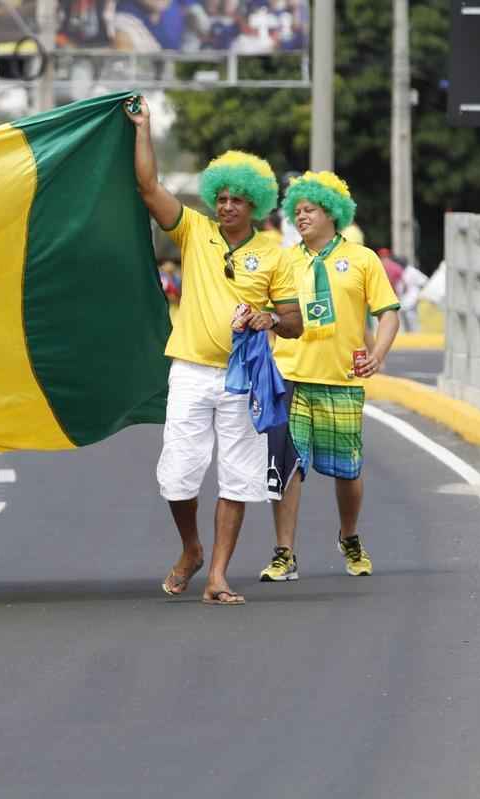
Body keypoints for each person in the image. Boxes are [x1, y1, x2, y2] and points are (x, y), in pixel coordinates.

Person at [125, 95, 303, 606]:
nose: (226, 206)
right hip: (189, 371)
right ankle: (191, 549)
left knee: (239, 476)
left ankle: (218, 575)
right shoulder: (192, 229)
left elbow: (292, 322)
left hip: (245, 378)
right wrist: (143, 128)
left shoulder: (274, 254)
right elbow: (147, 187)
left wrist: (268, 317)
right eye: (220, 197)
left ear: (255, 205)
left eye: (236, 200)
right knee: (177, 475)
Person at [259, 171, 400, 581]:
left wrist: (378, 353)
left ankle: (350, 536)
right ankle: (284, 553)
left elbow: (388, 312)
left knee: (347, 471)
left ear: (332, 214)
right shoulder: (284, 260)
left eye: (310, 210)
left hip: (341, 378)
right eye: (297, 211)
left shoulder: (362, 259)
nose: (301, 217)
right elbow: (268, 310)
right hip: (289, 375)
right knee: (286, 466)